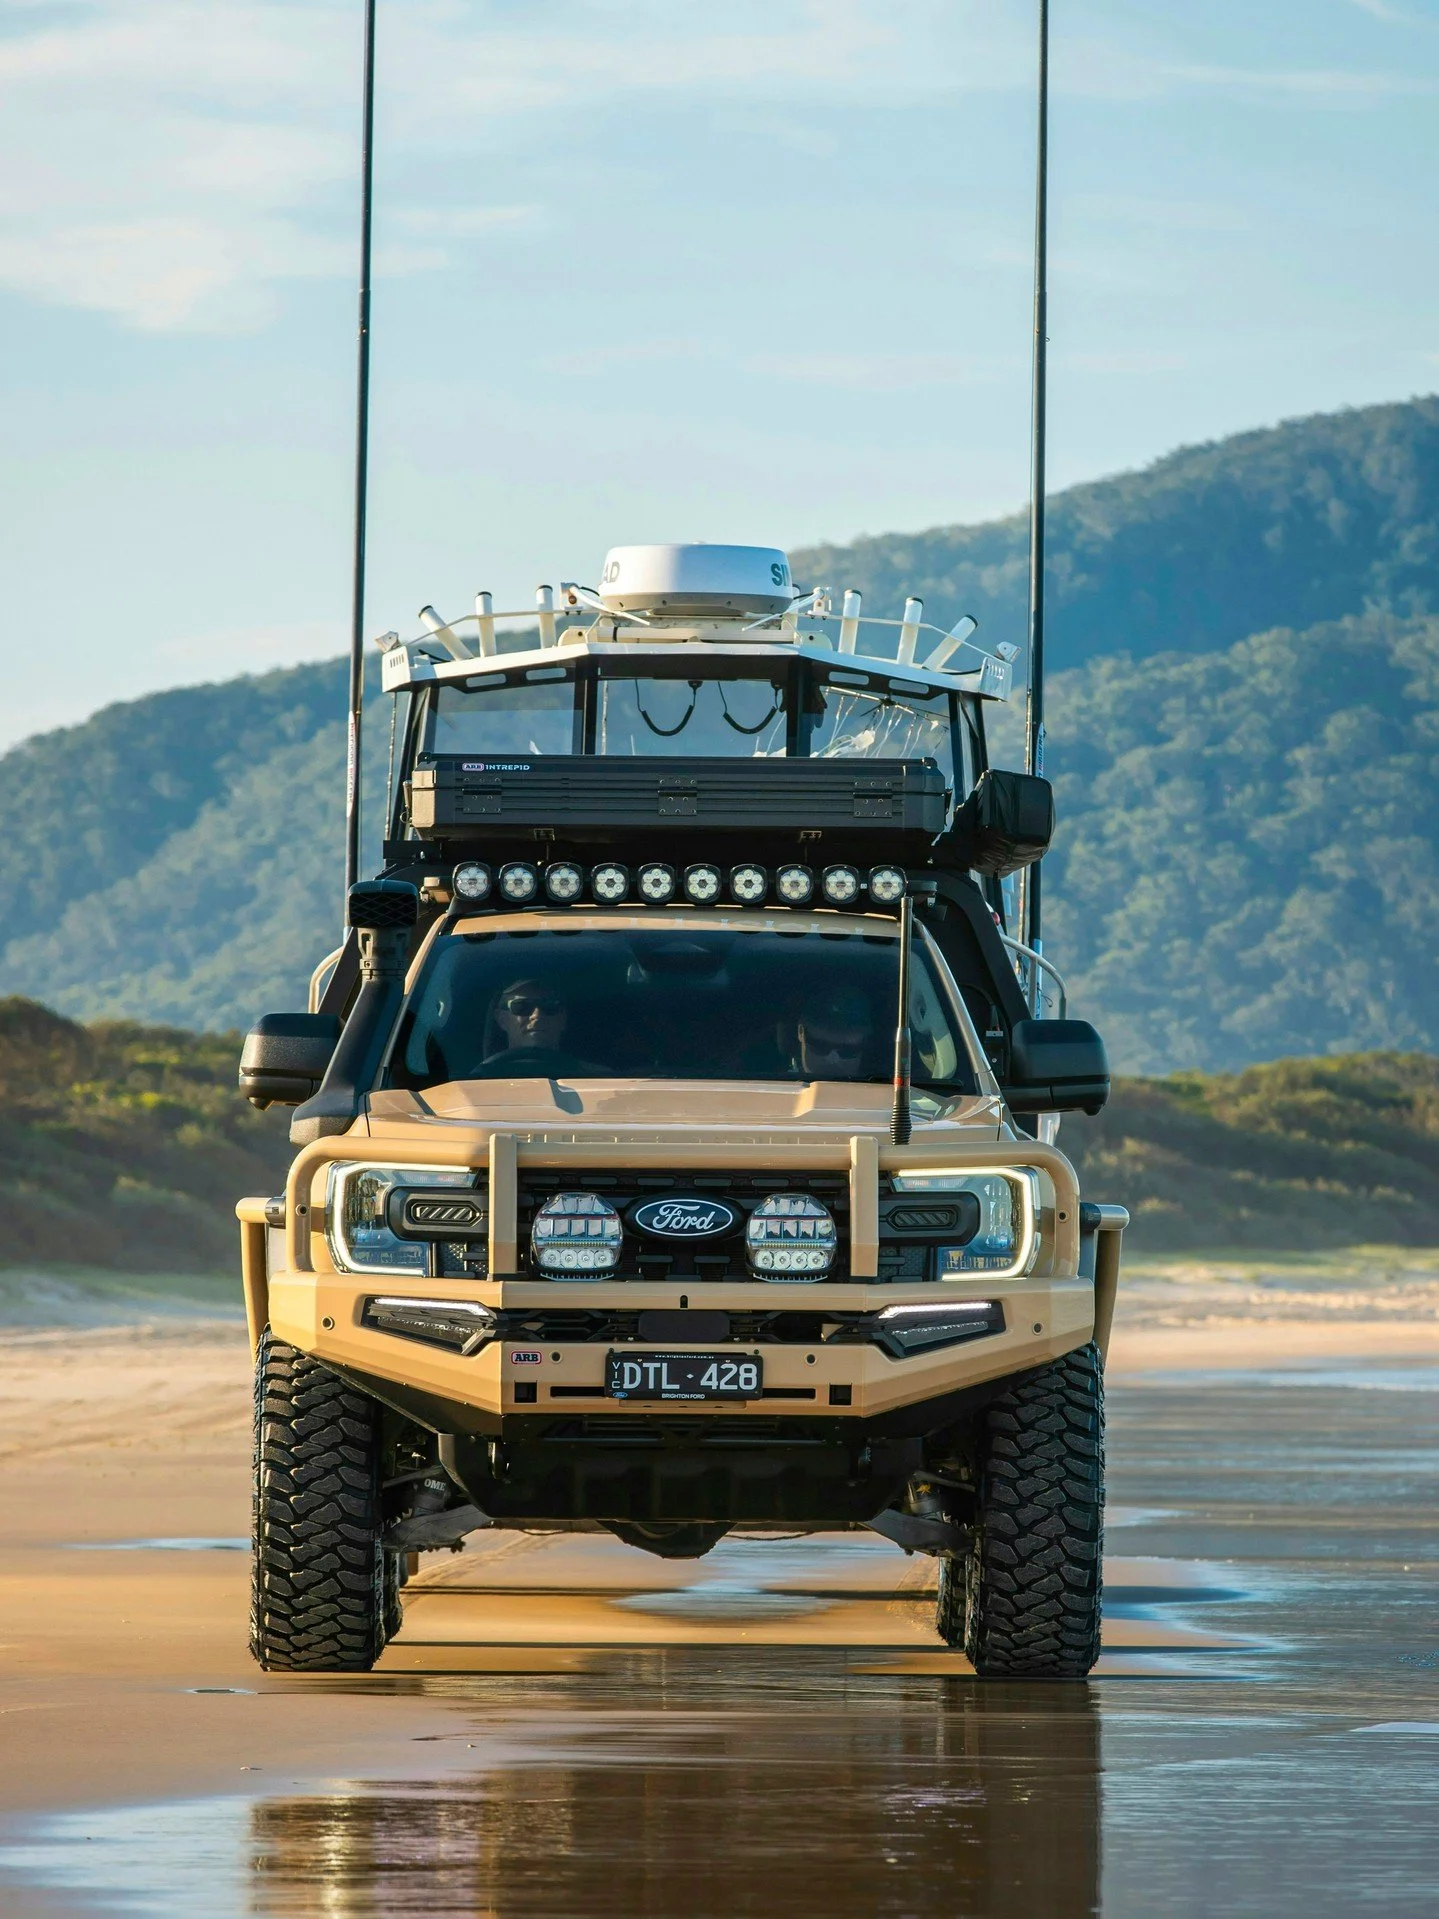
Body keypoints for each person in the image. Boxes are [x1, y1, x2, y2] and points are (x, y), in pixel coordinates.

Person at [476, 978, 611, 1079]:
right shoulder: (475, 1084)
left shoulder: (603, 1081)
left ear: (563, 1018)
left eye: (550, 1006)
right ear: (502, 1019)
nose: (537, 1015)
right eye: (522, 1006)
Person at [791, 989, 881, 1081]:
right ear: (801, 1032)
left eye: (847, 1051)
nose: (833, 1059)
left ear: (865, 1043)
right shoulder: (782, 1086)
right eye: (821, 1046)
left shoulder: (887, 1087)